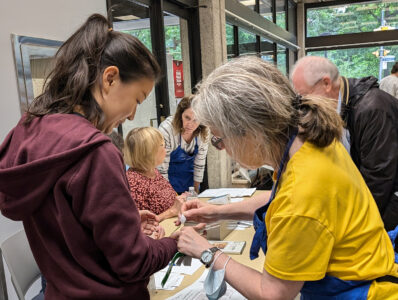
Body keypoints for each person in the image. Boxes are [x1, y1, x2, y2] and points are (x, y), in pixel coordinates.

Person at [173, 56, 398, 299]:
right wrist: (217, 212)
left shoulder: (303, 189)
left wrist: (207, 252)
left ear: (249, 132)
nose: (223, 150)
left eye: (220, 140)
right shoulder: (306, 141)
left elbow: (273, 293)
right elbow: (278, 199)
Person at [0, 14, 177, 300]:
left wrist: (126, 221)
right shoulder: (95, 151)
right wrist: (173, 242)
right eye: (137, 99)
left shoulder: (30, 131)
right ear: (110, 78)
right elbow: (134, 263)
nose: (132, 115)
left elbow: (71, 227)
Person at [291, 56, 398, 232]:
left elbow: (378, 178)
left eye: (305, 96)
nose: (304, 105)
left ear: (326, 83)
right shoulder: (342, 105)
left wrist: (352, 225)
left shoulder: (372, 109)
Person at [124, 127, 186, 221]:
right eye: (162, 145)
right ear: (149, 151)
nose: (166, 149)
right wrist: (172, 211)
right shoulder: (133, 182)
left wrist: (181, 199)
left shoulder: (153, 171)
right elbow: (140, 225)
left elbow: (171, 198)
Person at [158, 95, 210, 194]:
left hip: (189, 185)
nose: (190, 124)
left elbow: (199, 164)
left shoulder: (203, 131)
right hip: (167, 185)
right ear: (180, 115)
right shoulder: (167, 130)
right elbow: (162, 170)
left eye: (196, 120)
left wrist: (195, 192)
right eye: (187, 118)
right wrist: (170, 197)